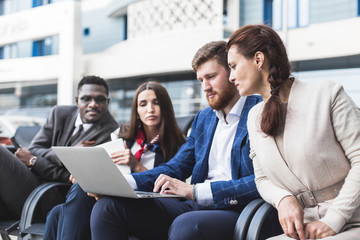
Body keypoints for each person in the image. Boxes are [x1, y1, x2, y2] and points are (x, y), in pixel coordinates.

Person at [89, 41, 271, 240]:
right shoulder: (204, 119)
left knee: (186, 225)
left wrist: (195, 191)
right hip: (193, 206)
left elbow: (263, 181)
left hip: (237, 210)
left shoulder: (260, 111)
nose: (206, 87)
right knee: (107, 206)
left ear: (232, 71)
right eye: (201, 80)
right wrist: (122, 183)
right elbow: (175, 168)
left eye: (211, 77)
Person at [227, 24, 360, 240]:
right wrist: (282, 199)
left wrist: (334, 219)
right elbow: (261, 179)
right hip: (306, 229)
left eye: (233, 66)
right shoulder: (253, 117)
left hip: (352, 220)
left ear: (258, 60)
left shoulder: (326, 94)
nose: (231, 77)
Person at [44, 80, 186, 240]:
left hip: (151, 206)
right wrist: (85, 175)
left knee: (72, 203)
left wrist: (136, 165)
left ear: (165, 107)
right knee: (58, 212)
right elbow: (108, 172)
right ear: (136, 110)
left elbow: (174, 190)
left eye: (156, 103)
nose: (150, 109)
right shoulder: (122, 136)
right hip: (114, 197)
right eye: (143, 104)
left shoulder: (180, 144)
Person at [0, 75, 118, 220]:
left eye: (100, 99)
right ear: (77, 100)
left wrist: (34, 161)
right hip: (30, 182)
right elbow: (35, 148)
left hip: (53, 196)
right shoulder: (59, 113)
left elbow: (73, 179)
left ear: (108, 102)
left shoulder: (112, 133)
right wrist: (71, 154)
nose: (93, 104)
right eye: (86, 98)